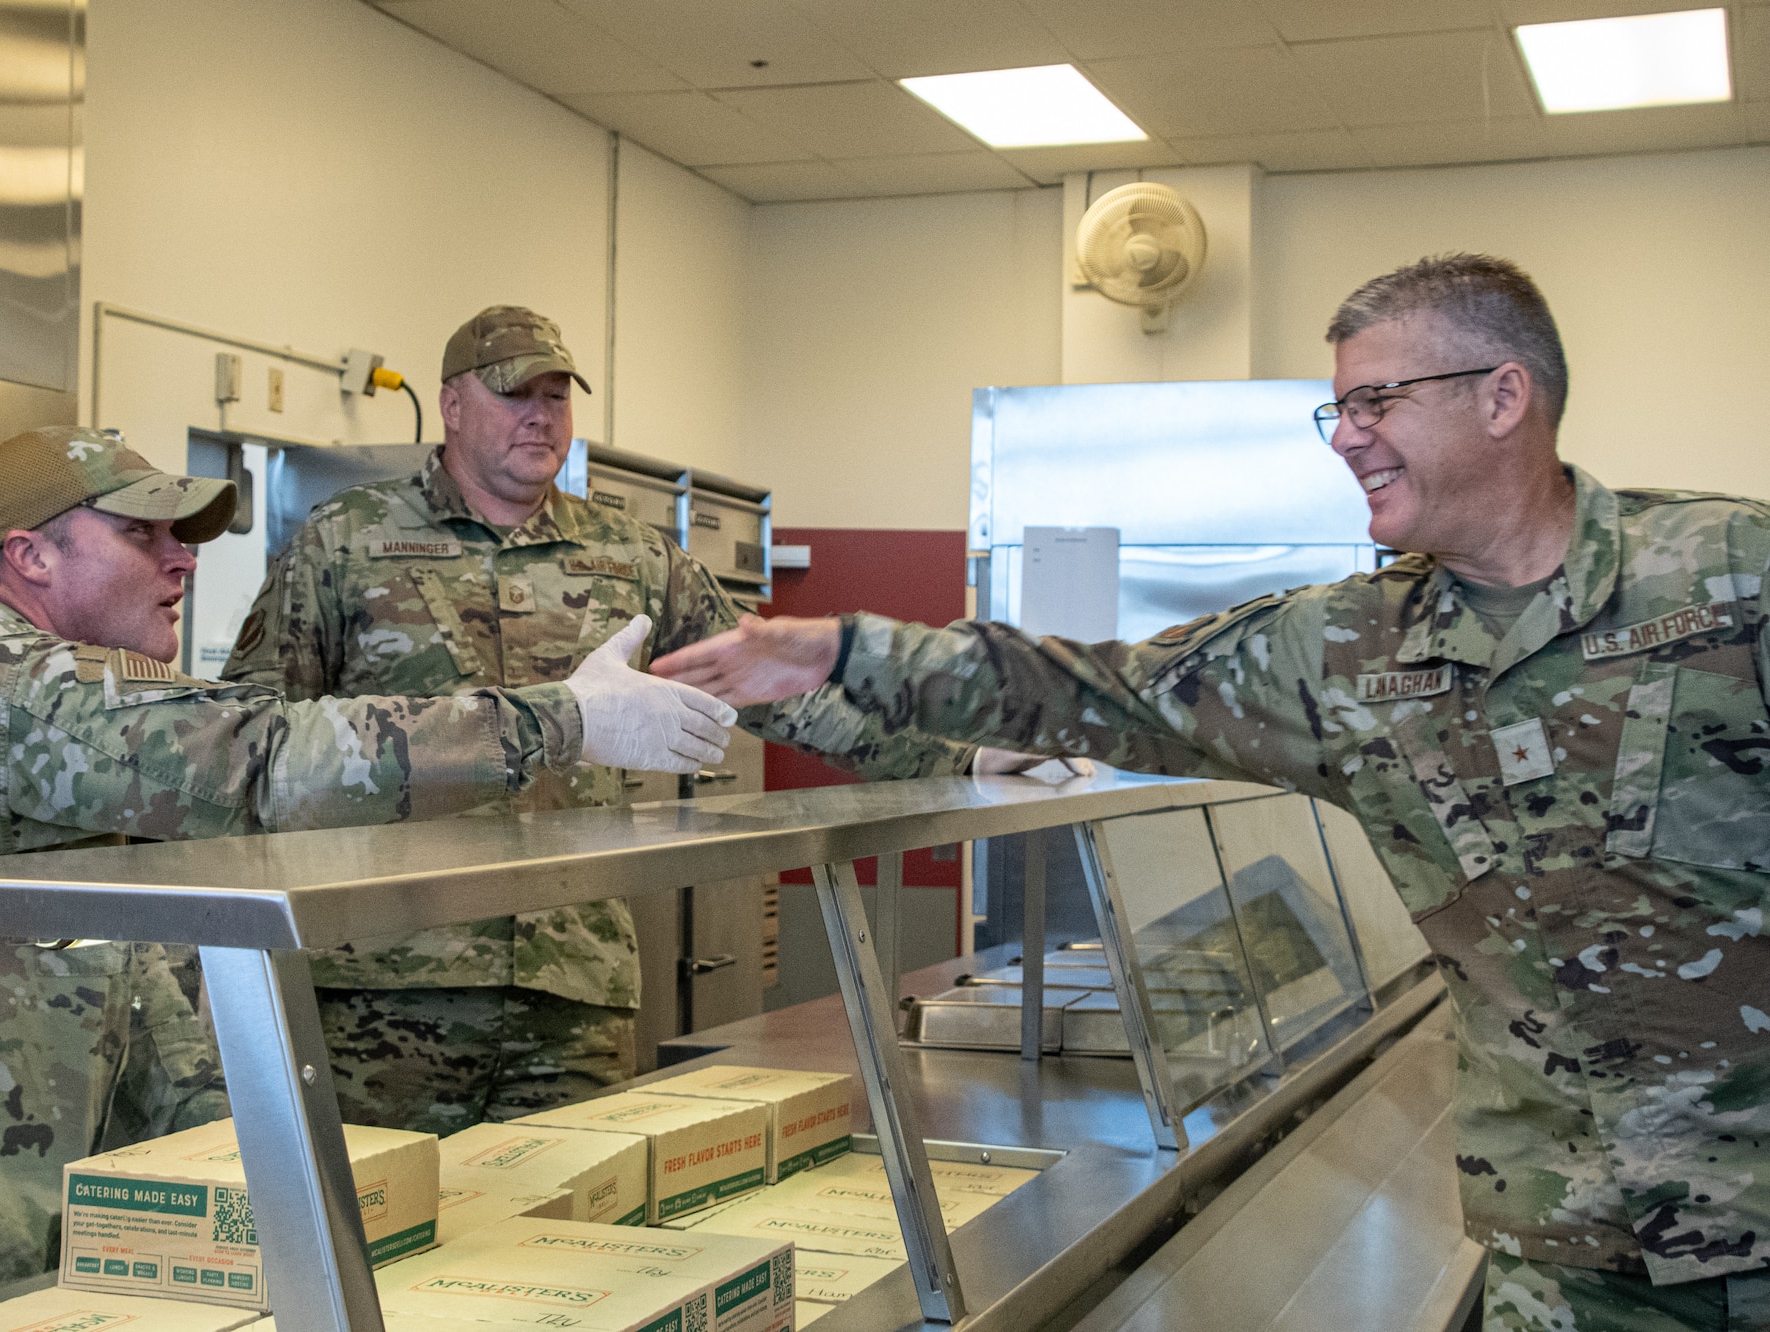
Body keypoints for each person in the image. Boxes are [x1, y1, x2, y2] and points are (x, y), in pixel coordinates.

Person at [652, 254, 1770, 1332]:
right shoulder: (1341, 647)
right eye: (1334, 410)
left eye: (1376, 399)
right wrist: (846, 653)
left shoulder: (1726, 576)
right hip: (1561, 1243)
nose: (1346, 437)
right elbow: (1101, 691)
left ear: (1501, 397)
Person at [0, 426, 732, 1329]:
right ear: (31, 557)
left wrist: (293, 1184)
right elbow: (261, 756)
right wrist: (559, 719)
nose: (182, 558)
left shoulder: (71, 708)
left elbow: (140, 983)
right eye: (142, 534)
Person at [222, 305, 998, 1136]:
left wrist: (964, 753)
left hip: (574, 977)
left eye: (558, 396)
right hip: (380, 980)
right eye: (517, 393)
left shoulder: (630, 557)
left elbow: (779, 690)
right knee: (379, 1237)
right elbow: (255, 740)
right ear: (451, 405)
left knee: (573, 1230)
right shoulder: (346, 542)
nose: (541, 415)